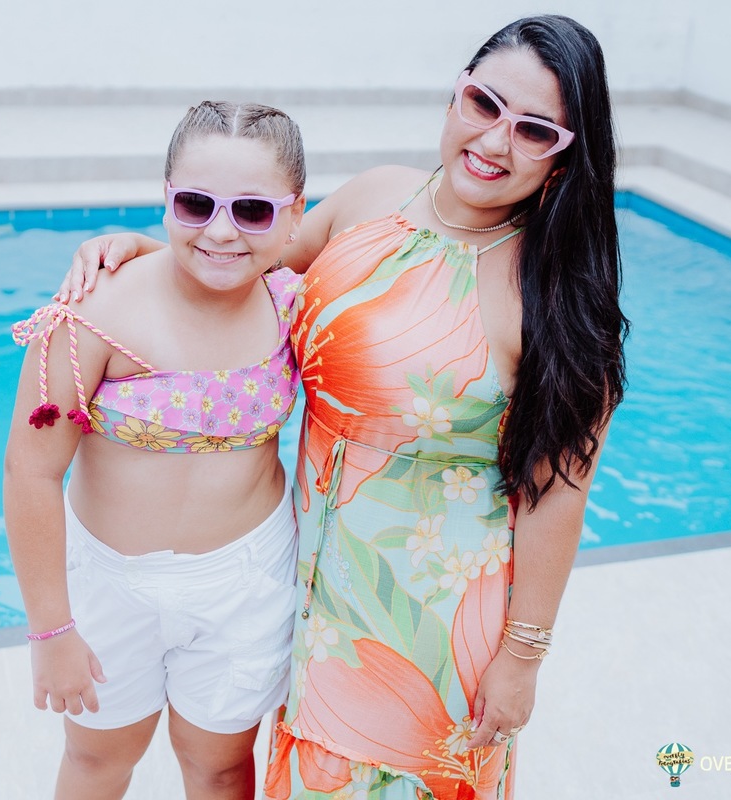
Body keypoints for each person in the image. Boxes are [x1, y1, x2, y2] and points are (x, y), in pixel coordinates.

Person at [56, 14, 627, 799]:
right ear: (456, 94)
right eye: (484, 104)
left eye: (534, 131)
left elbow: (557, 494)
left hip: (427, 619)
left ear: (565, 159)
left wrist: (522, 657)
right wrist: (140, 251)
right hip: (311, 597)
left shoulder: (553, 297)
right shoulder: (375, 197)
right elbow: (249, 261)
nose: (495, 141)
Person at [3, 100, 308, 800]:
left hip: (245, 581)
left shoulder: (295, 303)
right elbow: (31, 470)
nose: (222, 231)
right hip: (109, 582)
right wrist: (51, 630)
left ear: (293, 214)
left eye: (253, 211)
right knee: (98, 761)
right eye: (195, 204)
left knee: (221, 768)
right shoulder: (93, 312)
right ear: (166, 199)